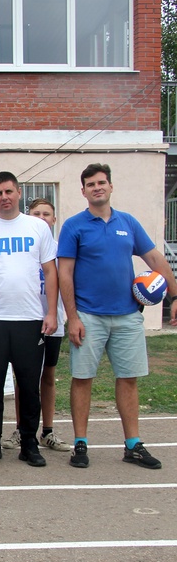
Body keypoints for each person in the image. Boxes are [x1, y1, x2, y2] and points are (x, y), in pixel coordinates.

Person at [58, 163, 177, 470]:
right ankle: (81, 443)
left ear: (111, 187)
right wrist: (72, 317)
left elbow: (154, 259)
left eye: (101, 182)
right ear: (82, 191)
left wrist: (174, 295)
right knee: (82, 378)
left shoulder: (129, 223)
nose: (97, 187)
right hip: (89, 315)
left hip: (127, 316)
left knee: (128, 379)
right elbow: (65, 273)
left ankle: (133, 444)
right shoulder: (74, 226)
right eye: (90, 184)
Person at [0, 171, 58, 468]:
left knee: (29, 387)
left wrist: (52, 312)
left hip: (30, 319)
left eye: (8, 191)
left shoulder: (37, 228)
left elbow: (51, 271)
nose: (4, 197)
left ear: (18, 192)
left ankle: (29, 444)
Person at [2, 198, 70, 452]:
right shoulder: (23, 247)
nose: (42, 218)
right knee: (25, 379)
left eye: (47, 214)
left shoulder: (60, 250)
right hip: (25, 321)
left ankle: (48, 431)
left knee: (48, 377)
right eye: (36, 213)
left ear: (54, 220)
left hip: (52, 321)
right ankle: (22, 429)